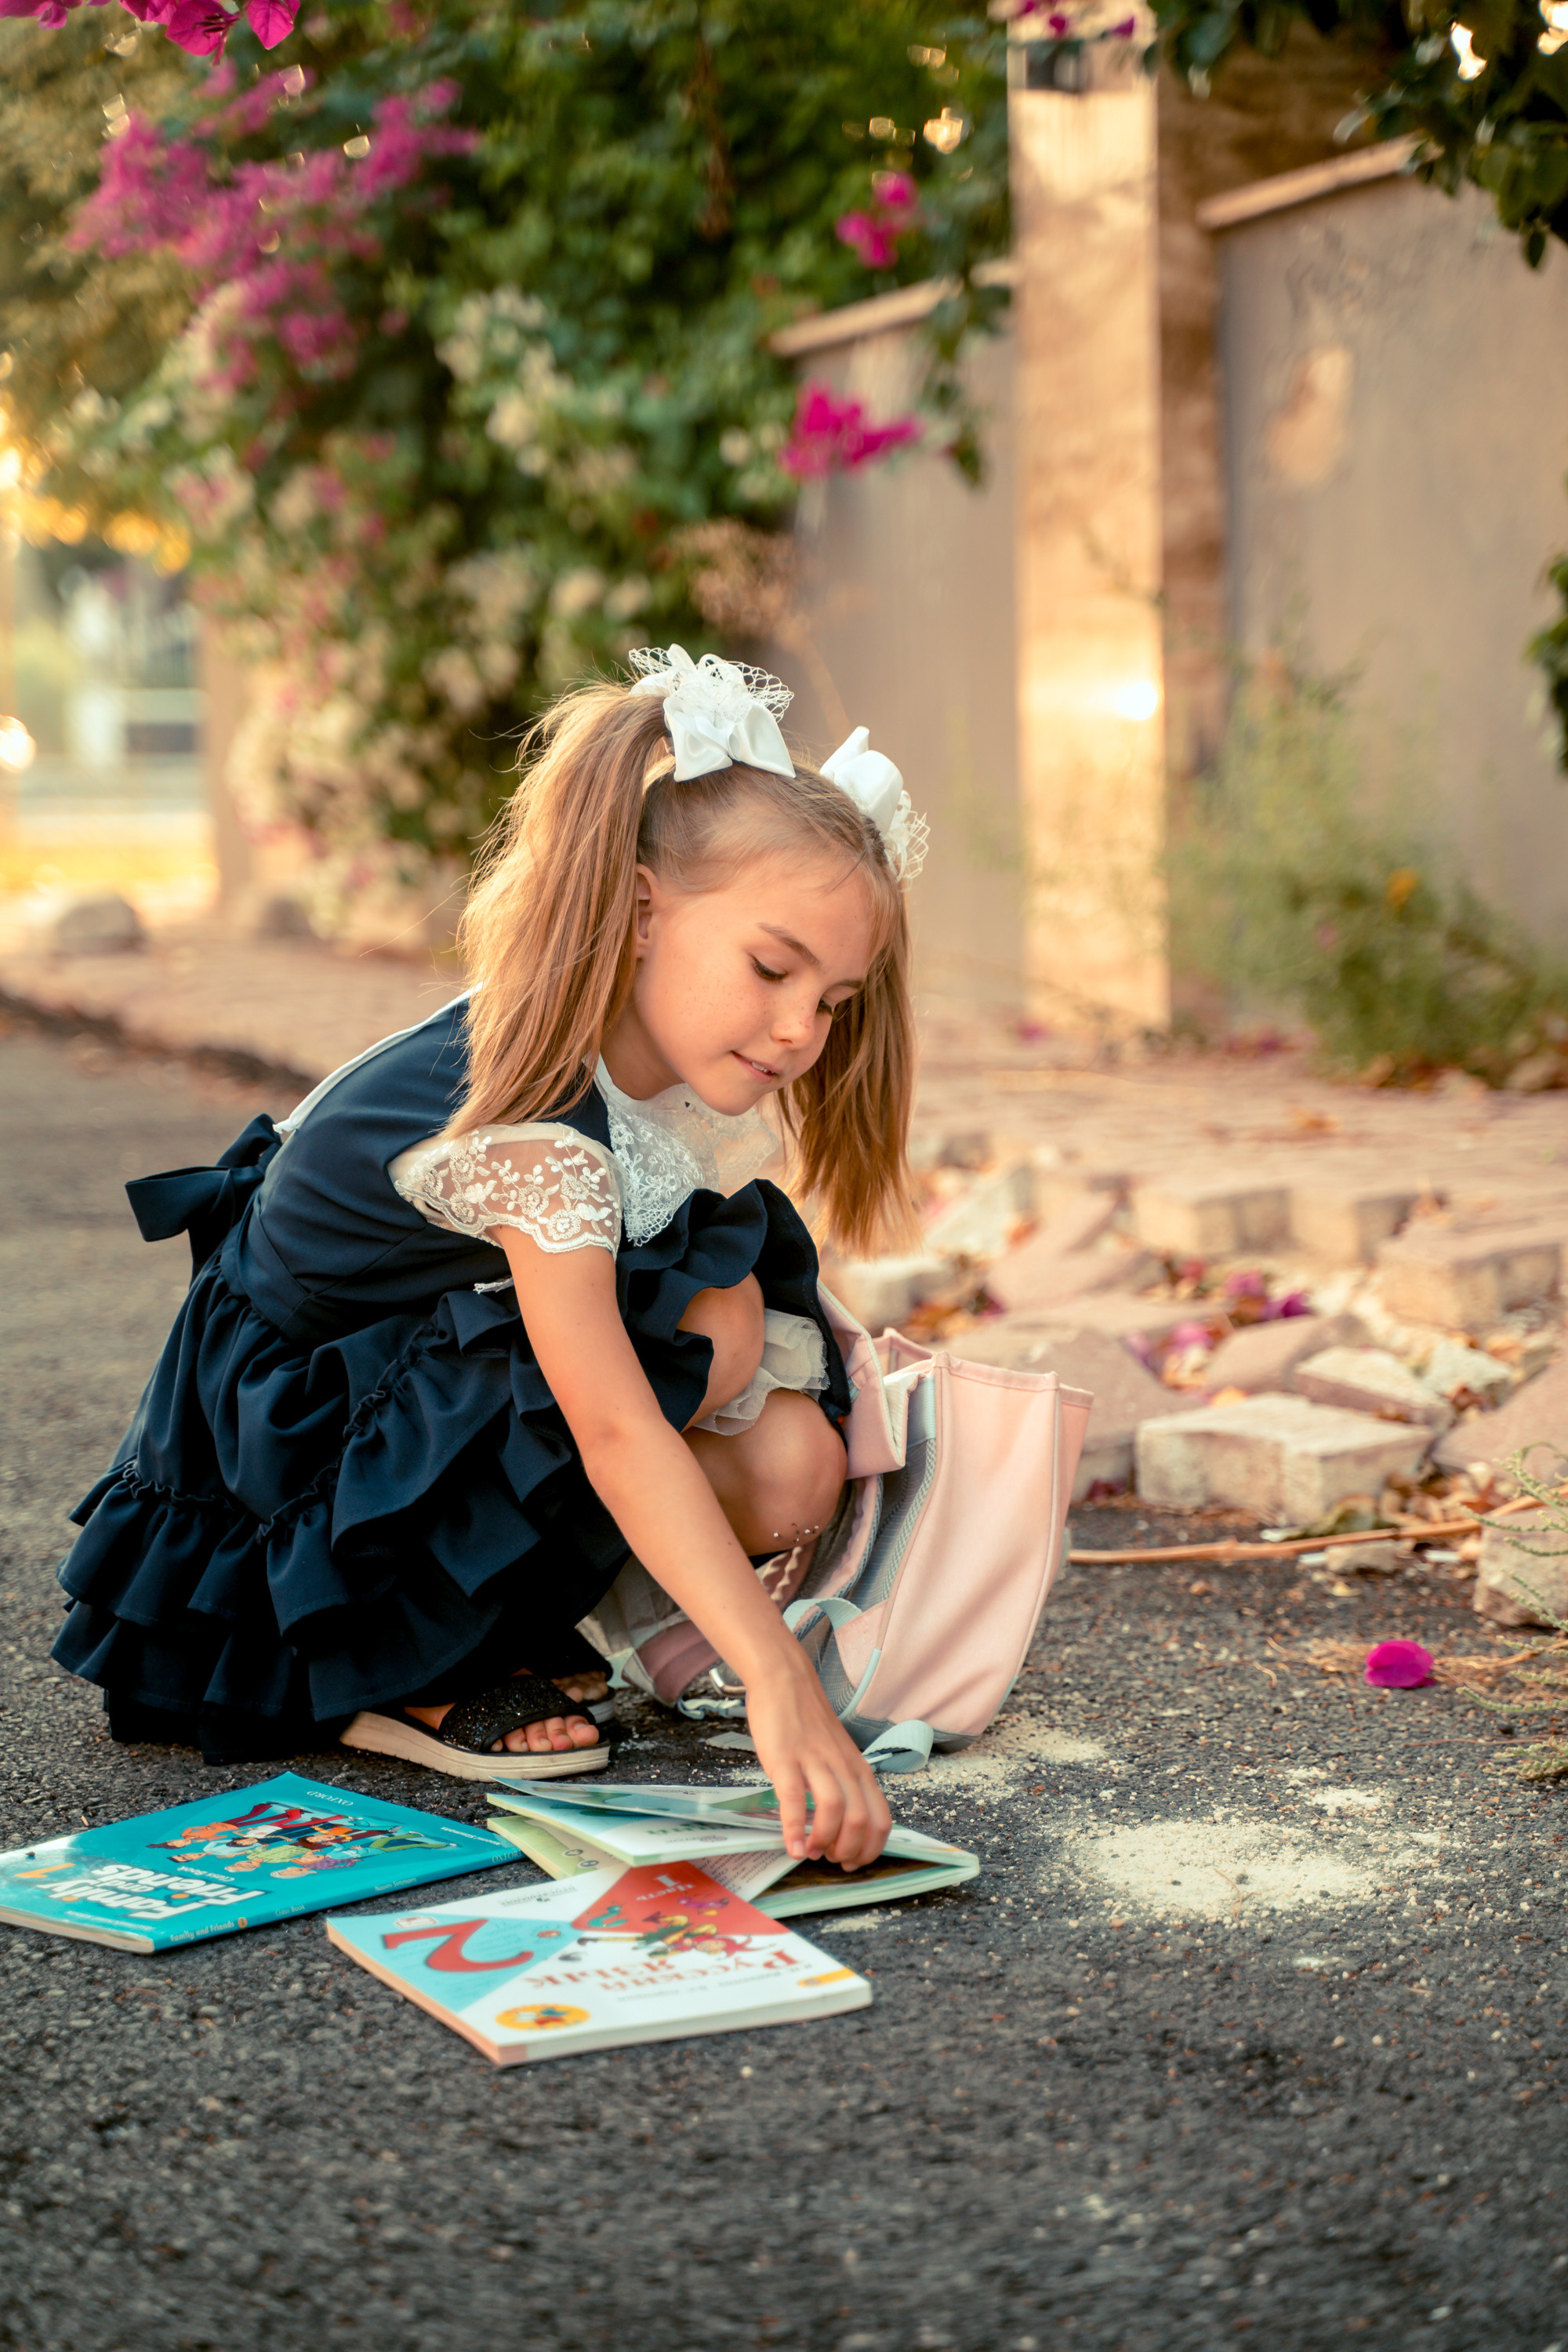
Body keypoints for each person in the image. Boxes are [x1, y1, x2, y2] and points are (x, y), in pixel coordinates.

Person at [53, 648, 927, 1870]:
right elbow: (614, 1424)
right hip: (283, 1480)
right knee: (674, 1348)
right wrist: (776, 1679)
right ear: (636, 911)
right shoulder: (532, 1127)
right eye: (773, 970)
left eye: (833, 999)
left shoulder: (640, 1066)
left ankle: (508, 1615)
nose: (800, 1030)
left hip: (382, 1387)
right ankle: (390, 1666)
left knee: (776, 1434)